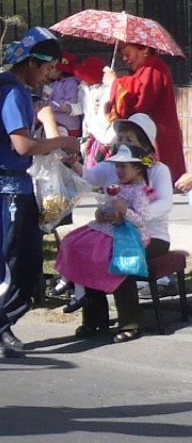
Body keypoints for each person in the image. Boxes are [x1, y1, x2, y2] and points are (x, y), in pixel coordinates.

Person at [0, 26, 73, 359]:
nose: (50, 75)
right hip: (3, 192)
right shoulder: (12, 92)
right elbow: (22, 145)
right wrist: (62, 141)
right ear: (31, 63)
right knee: (3, 262)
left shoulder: (17, 91)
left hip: (17, 188)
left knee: (24, 262)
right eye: (48, 68)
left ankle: (3, 326)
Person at [58, 141, 170, 342]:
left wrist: (123, 212)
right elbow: (104, 204)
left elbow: (142, 218)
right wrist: (102, 213)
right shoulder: (116, 187)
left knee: (117, 262)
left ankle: (131, 322)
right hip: (111, 232)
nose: (119, 170)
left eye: (124, 166)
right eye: (117, 166)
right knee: (81, 250)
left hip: (130, 237)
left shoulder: (142, 190)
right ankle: (93, 315)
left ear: (137, 169)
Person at [103, 38, 187, 185]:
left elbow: (141, 100)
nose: (124, 58)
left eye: (128, 53)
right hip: (151, 132)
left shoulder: (154, 66)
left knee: (156, 178)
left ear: (145, 50)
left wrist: (114, 83)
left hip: (157, 133)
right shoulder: (145, 69)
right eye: (123, 54)